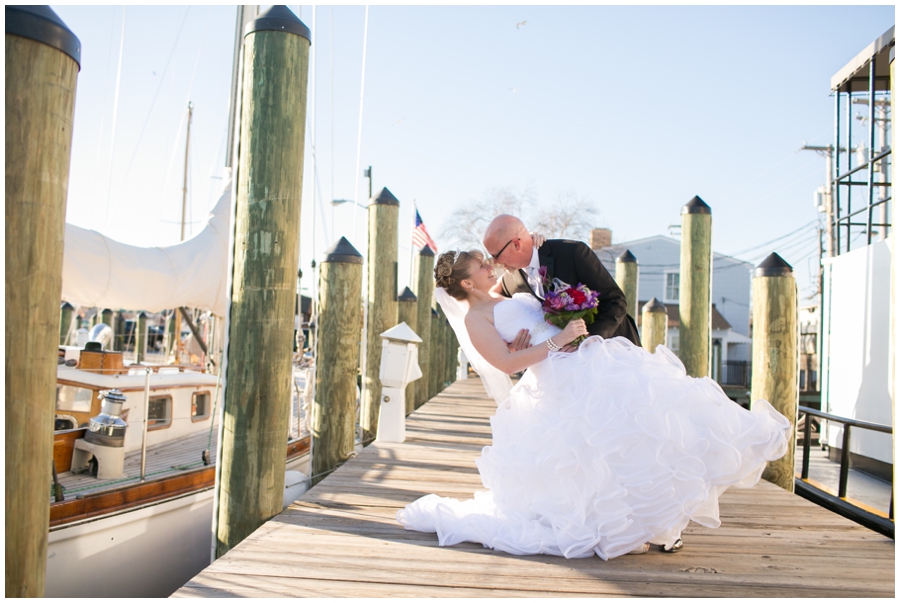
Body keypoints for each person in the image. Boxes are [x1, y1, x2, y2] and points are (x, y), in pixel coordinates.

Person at [396, 250, 791, 560]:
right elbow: (505, 363)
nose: (490, 265)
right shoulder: (475, 318)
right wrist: (556, 340)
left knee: (640, 429)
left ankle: (654, 525)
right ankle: (624, 528)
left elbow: (532, 327)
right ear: (467, 281)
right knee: (596, 450)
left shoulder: (509, 289)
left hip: (593, 359)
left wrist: (562, 321)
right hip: (561, 377)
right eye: (482, 265)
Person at [483, 215, 641, 347]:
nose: (495, 262)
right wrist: (510, 346)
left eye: (496, 255)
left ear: (516, 244)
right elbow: (484, 303)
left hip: (612, 348)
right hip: (563, 366)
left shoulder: (572, 253)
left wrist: (589, 340)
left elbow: (615, 301)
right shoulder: (509, 281)